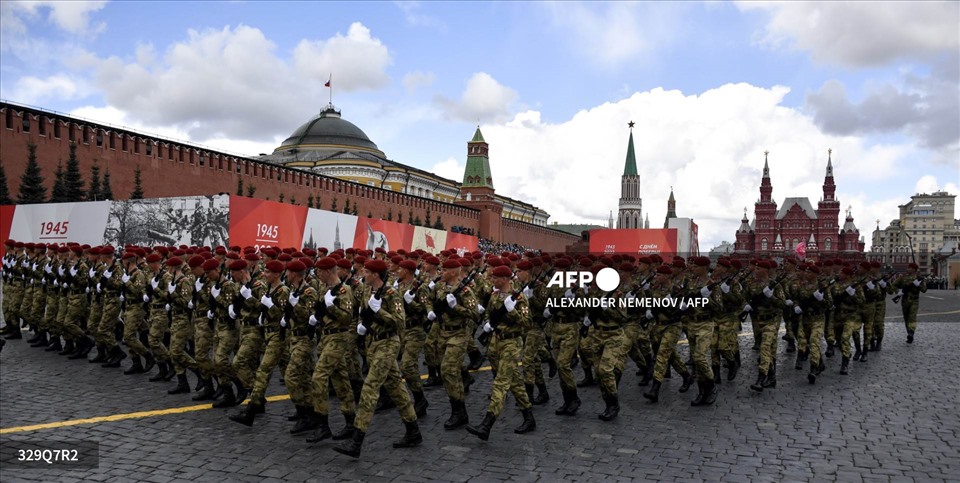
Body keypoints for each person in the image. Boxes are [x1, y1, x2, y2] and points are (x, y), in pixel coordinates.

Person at [334, 259, 421, 458]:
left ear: (375, 275)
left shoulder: (391, 293)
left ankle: (356, 441)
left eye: (367, 271)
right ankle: (413, 430)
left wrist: (379, 311)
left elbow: (399, 323)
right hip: (373, 343)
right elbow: (362, 311)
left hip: (388, 343)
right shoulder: (367, 290)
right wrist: (362, 324)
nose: (363, 273)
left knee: (370, 388)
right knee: (396, 388)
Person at [466, 264, 535, 440]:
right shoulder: (495, 295)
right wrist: (488, 324)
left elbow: (527, 323)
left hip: (511, 343)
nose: (492, 280)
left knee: (501, 382)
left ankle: (486, 425)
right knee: (515, 382)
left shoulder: (519, 298)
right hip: (495, 342)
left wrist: (512, 311)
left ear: (505, 279)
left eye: (495, 278)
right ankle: (529, 418)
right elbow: (489, 314)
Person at [893, 263, 927, 344]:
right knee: (906, 318)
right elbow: (894, 285)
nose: (907, 269)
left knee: (912, 317)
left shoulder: (919, 278)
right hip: (905, 300)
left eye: (909, 268)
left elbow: (924, 289)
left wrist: (918, 285)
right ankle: (909, 332)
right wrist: (898, 292)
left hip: (914, 300)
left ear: (914, 269)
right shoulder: (902, 277)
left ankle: (911, 333)